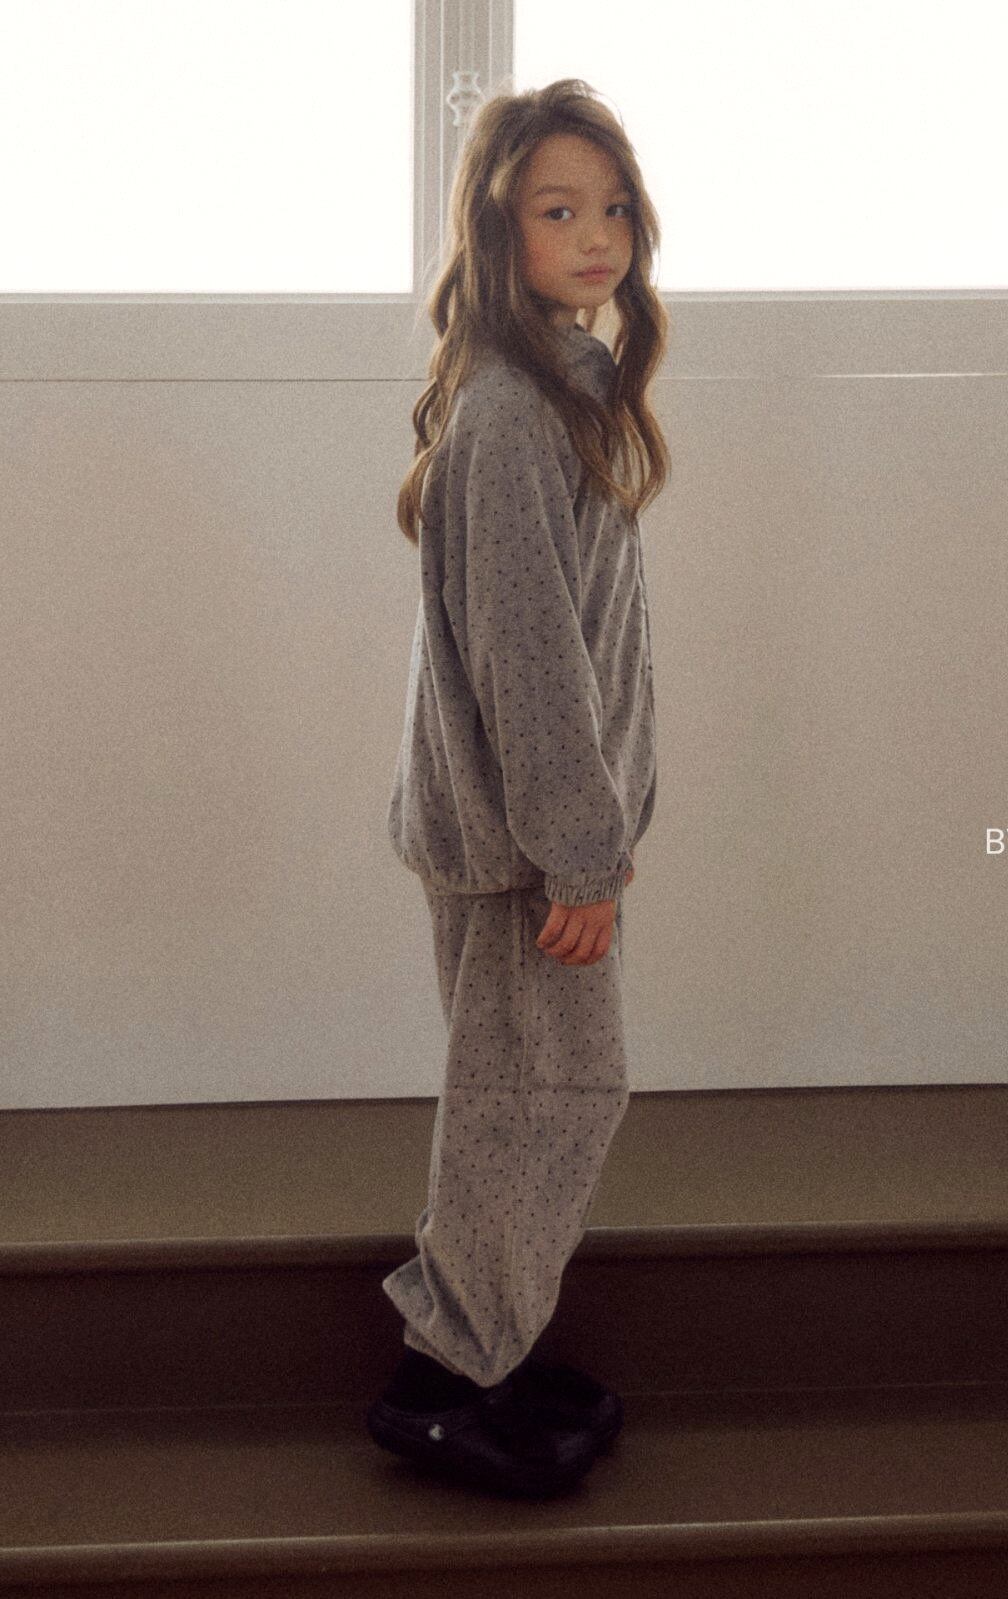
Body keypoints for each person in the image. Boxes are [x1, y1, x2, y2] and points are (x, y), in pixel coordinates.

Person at [366, 77, 669, 1500]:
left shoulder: (566, 384)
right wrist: (580, 858)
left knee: (538, 1093)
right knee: (537, 1100)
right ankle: (441, 1379)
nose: (596, 236)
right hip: (525, 853)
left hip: (543, 838)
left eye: (613, 208)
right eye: (558, 211)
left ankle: (490, 1342)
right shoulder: (506, 413)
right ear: (499, 231)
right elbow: (532, 663)